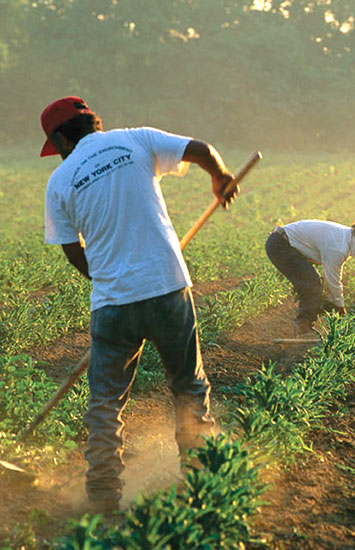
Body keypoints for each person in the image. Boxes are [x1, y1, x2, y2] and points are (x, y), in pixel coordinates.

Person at [41, 96, 238, 513]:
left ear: (60, 138)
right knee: (188, 386)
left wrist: (111, 278)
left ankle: (102, 494)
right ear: (93, 123)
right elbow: (201, 150)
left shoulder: (60, 181)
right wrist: (220, 177)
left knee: (106, 402)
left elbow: (73, 253)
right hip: (167, 288)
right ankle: (201, 483)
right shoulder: (137, 140)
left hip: (113, 303)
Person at [265, 219, 355, 335]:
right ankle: (303, 326)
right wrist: (340, 308)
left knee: (316, 287)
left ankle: (307, 320)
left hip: (285, 243)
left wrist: (332, 302)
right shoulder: (338, 247)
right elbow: (333, 282)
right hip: (280, 245)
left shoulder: (344, 238)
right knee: (312, 284)